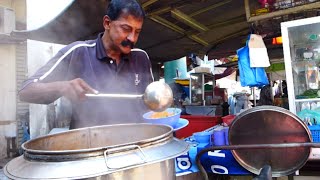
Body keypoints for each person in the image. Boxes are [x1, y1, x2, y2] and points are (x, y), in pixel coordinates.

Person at [19, 0, 154, 129]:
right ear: (107, 23)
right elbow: (26, 91)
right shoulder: (78, 52)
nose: (132, 38)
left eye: (137, 32)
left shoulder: (141, 57)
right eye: (126, 29)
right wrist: (63, 87)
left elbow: (151, 104)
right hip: (88, 146)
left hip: (136, 147)